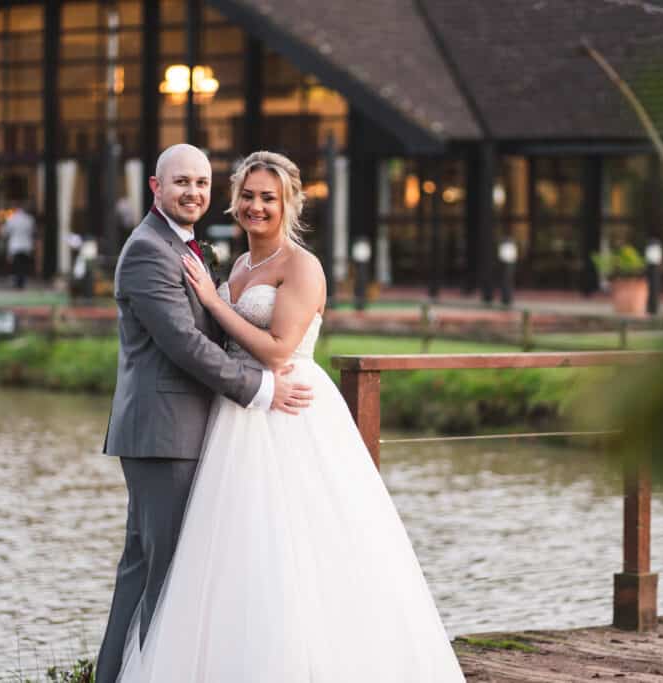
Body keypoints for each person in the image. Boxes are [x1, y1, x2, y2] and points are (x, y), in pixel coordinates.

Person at [116, 151, 465, 682]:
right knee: (225, 557)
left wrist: (214, 303)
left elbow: (279, 351)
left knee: (293, 550)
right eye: (249, 196)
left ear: (288, 204)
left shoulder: (302, 266)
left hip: (286, 408)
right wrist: (219, 303)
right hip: (235, 417)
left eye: (268, 198)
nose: (256, 207)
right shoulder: (235, 265)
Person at [96, 144, 314, 683]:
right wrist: (260, 389)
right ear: (156, 188)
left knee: (154, 568)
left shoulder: (200, 251)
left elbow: (240, 336)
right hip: (167, 432)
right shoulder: (151, 250)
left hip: (199, 429)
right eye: (181, 183)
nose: (192, 192)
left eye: (201, 183)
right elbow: (185, 345)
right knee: (165, 574)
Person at [0, 202, 35, 289]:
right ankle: (21, 282)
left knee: (17, 265)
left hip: (15, 245)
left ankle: (17, 282)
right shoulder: (29, 219)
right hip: (26, 245)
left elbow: (5, 232)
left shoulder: (11, 219)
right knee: (23, 265)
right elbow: (33, 232)